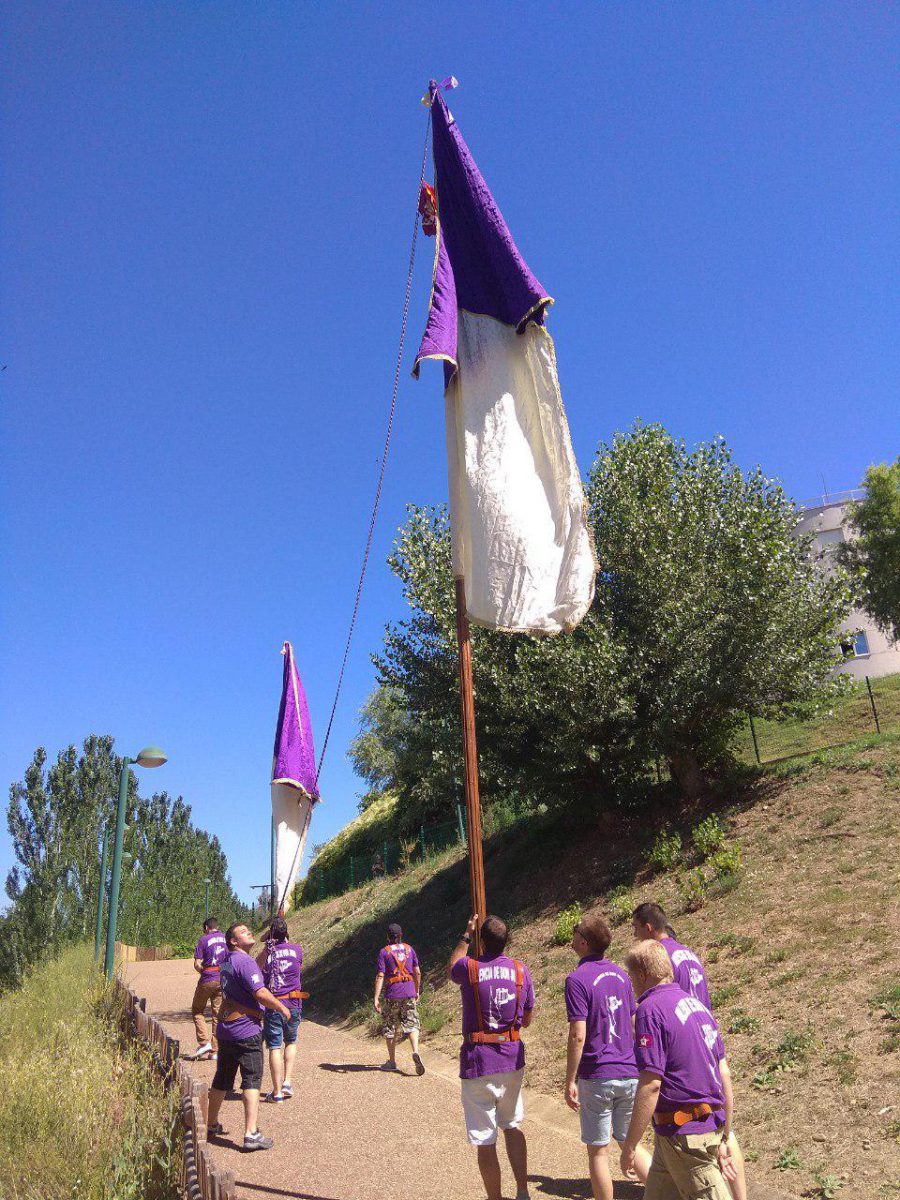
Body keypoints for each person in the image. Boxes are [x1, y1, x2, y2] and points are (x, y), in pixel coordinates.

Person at [632, 902, 748, 1200]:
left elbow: (652, 1083)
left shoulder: (656, 985)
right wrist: (725, 1128)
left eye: (635, 931)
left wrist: (630, 1146)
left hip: (686, 1114)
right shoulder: (689, 954)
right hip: (704, 1054)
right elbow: (724, 1071)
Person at [564, 914, 651, 1200]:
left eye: (576, 932)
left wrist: (570, 1080)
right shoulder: (621, 975)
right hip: (629, 1071)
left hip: (598, 1073)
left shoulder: (577, 980)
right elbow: (635, 1020)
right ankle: (665, 1191)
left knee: (598, 1151)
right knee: (629, 1141)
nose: (573, 935)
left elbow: (579, 1033)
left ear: (584, 942)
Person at [449, 914, 535, 1200]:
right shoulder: (521, 971)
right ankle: (523, 1191)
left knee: (485, 1139)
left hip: (478, 1061)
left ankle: (495, 1198)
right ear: (507, 941)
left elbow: (452, 967)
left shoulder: (469, 968)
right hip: (512, 1059)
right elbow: (527, 1019)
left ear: (481, 942)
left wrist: (466, 935)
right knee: (512, 1124)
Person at [206, 923, 291, 1152]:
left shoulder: (229, 960)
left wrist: (265, 950)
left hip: (226, 1030)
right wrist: (281, 1007)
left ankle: (210, 1123)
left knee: (222, 1079)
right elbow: (260, 992)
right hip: (246, 1031)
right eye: (243, 932)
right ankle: (251, 1133)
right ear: (233, 941)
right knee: (251, 1080)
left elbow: (252, 969)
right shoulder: (244, 962)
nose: (249, 932)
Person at [256, 916, 306, 1103]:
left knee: (274, 1046)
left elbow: (256, 968)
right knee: (291, 1041)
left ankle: (276, 1092)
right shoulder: (296, 950)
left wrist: (267, 942)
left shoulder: (268, 954)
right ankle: (287, 1082)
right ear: (286, 934)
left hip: (274, 1005)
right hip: (294, 1004)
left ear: (271, 935)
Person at [632, 903, 712, 1008]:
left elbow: (654, 1004)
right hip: (703, 1019)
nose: (635, 934)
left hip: (679, 1021)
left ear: (648, 928)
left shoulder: (657, 957)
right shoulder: (690, 953)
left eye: (636, 927)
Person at [374, 922, 425, 1075]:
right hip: (409, 992)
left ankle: (392, 1061)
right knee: (411, 1023)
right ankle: (415, 1051)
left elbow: (381, 975)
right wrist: (416, 990)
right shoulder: (410, 949)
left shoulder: (384, 952)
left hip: (392, 994)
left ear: (387, 936)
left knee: (390, 1027)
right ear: (401, 935)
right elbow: (417, 972)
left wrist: (376, 997)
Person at [190, 917, 227, 1059]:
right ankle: (215, 1051)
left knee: (197, 1010)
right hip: (222, 980)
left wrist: (204, 971)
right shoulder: (226, 938)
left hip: (207, 979)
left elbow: (197, 963)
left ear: (206, 927)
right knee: (217, 1015)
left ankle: (204, 1042)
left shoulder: (203, 940)